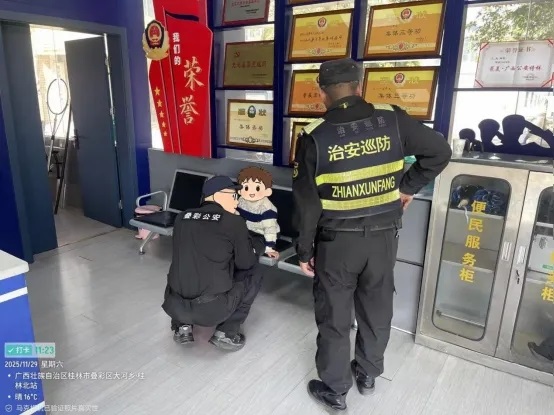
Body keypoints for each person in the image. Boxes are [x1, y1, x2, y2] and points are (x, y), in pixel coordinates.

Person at [292, 58, 452, 411]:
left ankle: (335, 390)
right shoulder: (391, 119)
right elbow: (440, 152)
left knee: (335, 316)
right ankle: (367, 375)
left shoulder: (315, 136)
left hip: (337, 243)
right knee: (376, 308)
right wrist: (407, 186)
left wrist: (304, 251)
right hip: (382, 240)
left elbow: (307, 205)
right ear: (360, 86)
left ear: (321, 93)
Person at [162, 175, 265, 352]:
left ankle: (182, 327)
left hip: (174, 306)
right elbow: (245, 263)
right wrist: (257, 246)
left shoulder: (181, 218)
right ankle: (226, 333)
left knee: (185, 263)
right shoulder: (234, 222)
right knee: (254, 271)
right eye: (234, 196)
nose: (237, 201)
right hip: (212, 311)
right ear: (217, 195)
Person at [236, 166, 280, 259]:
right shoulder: (241, 200)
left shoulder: (267, 208)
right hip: (249, 230)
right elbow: (236, 216)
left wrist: (269, 248)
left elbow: (270, 228)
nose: (251, 192)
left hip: (263, 234)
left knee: (253, 248)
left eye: (257, 188)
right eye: (246, 188)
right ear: (240, 190)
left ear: (267, 191)